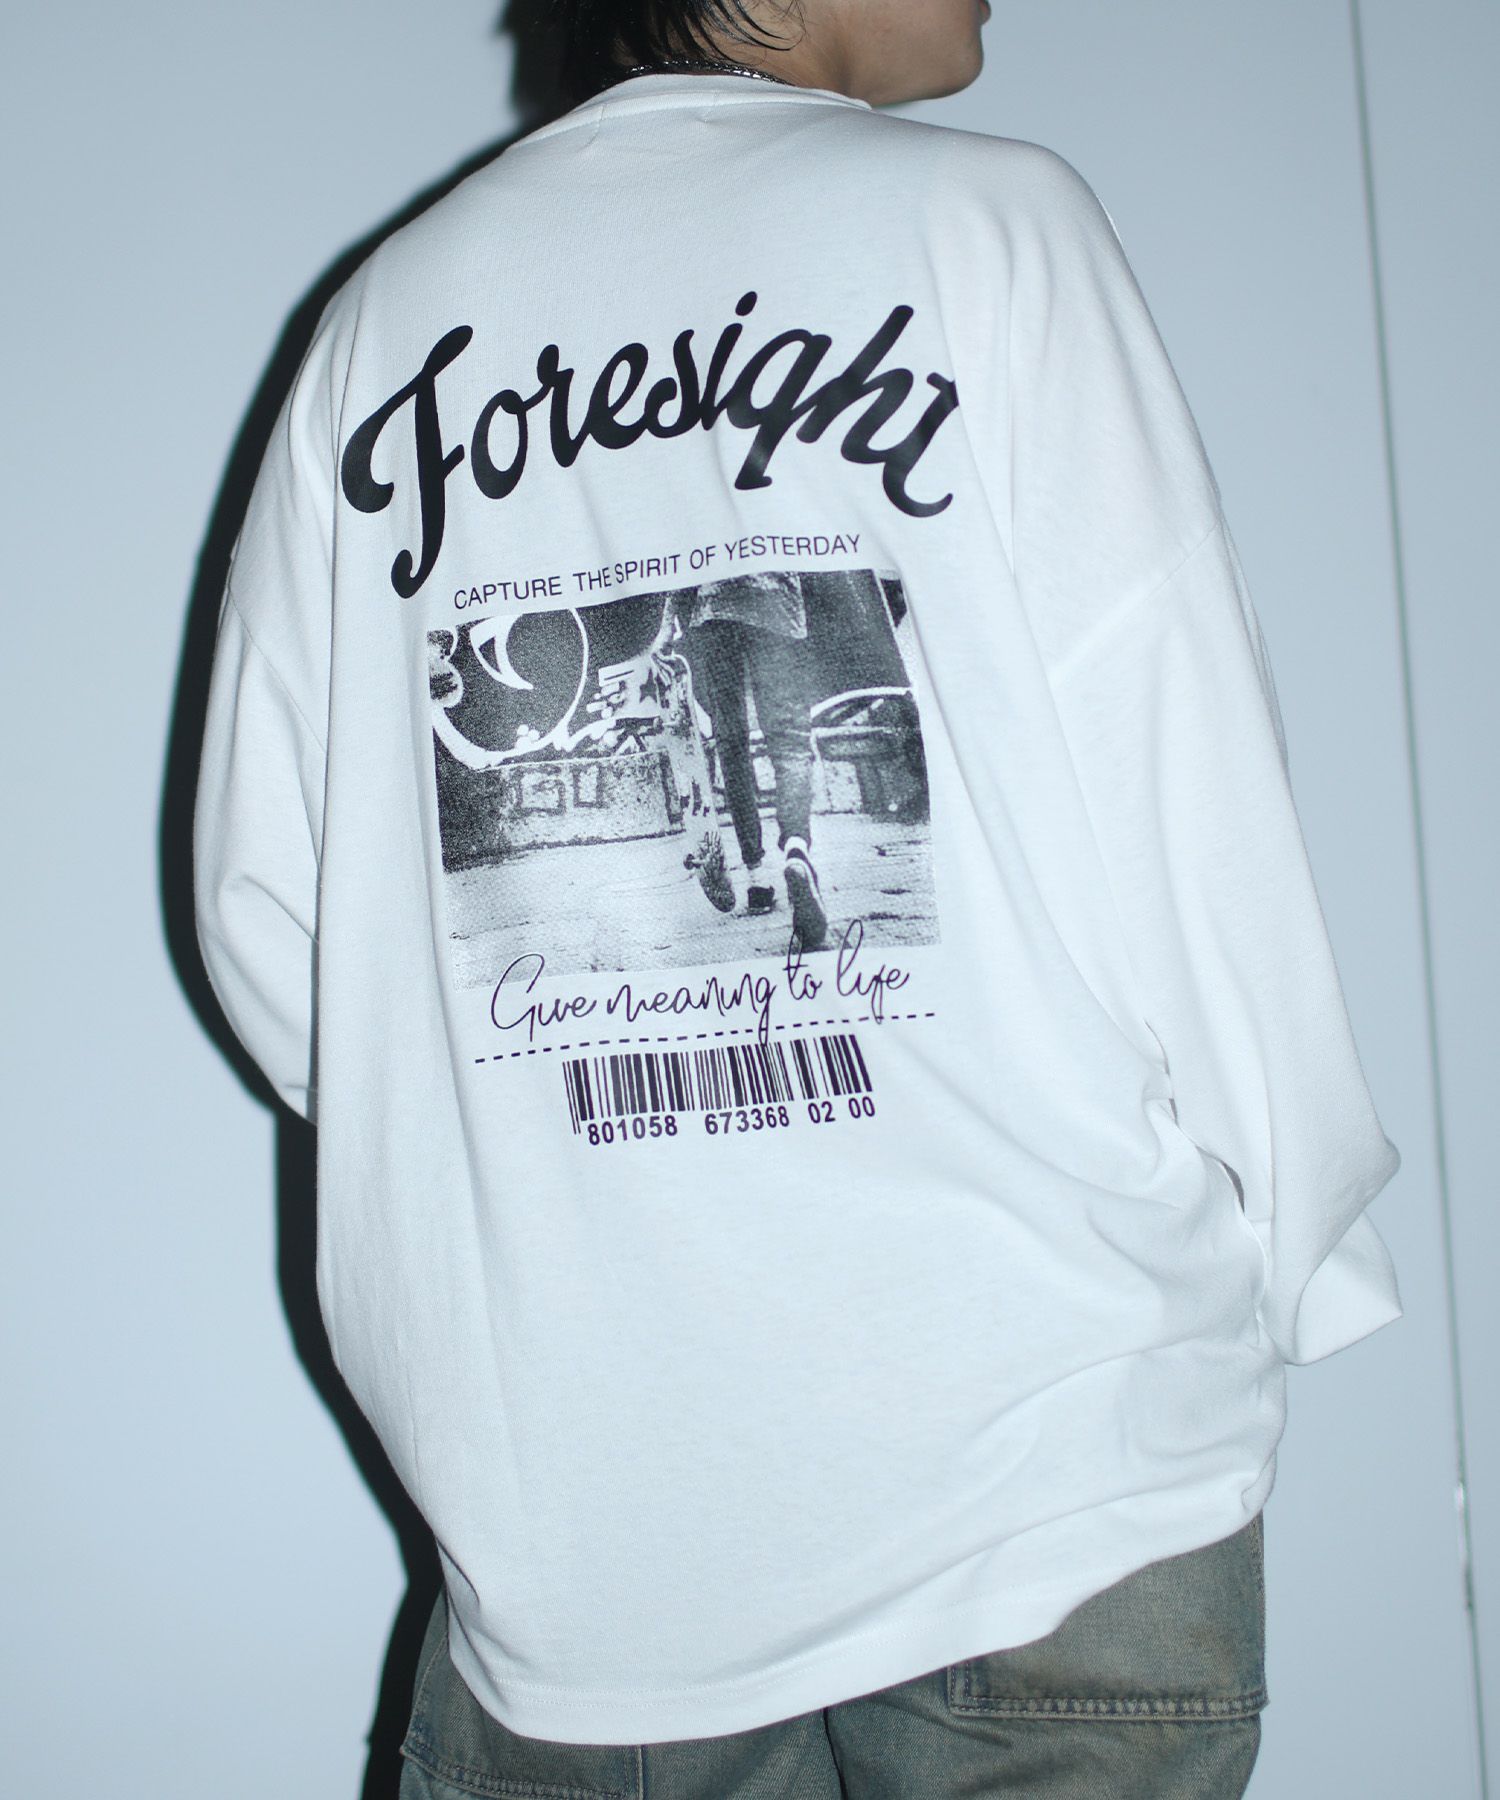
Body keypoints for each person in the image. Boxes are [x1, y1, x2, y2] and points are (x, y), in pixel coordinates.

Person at [192, 1, 1403, 1794]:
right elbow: (1182, 770)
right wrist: (1295, 1222)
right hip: (1047, 1467)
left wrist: (542, 1158)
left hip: (587, 1522)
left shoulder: (384, 323)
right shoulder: (985, 224)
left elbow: (270, 919)